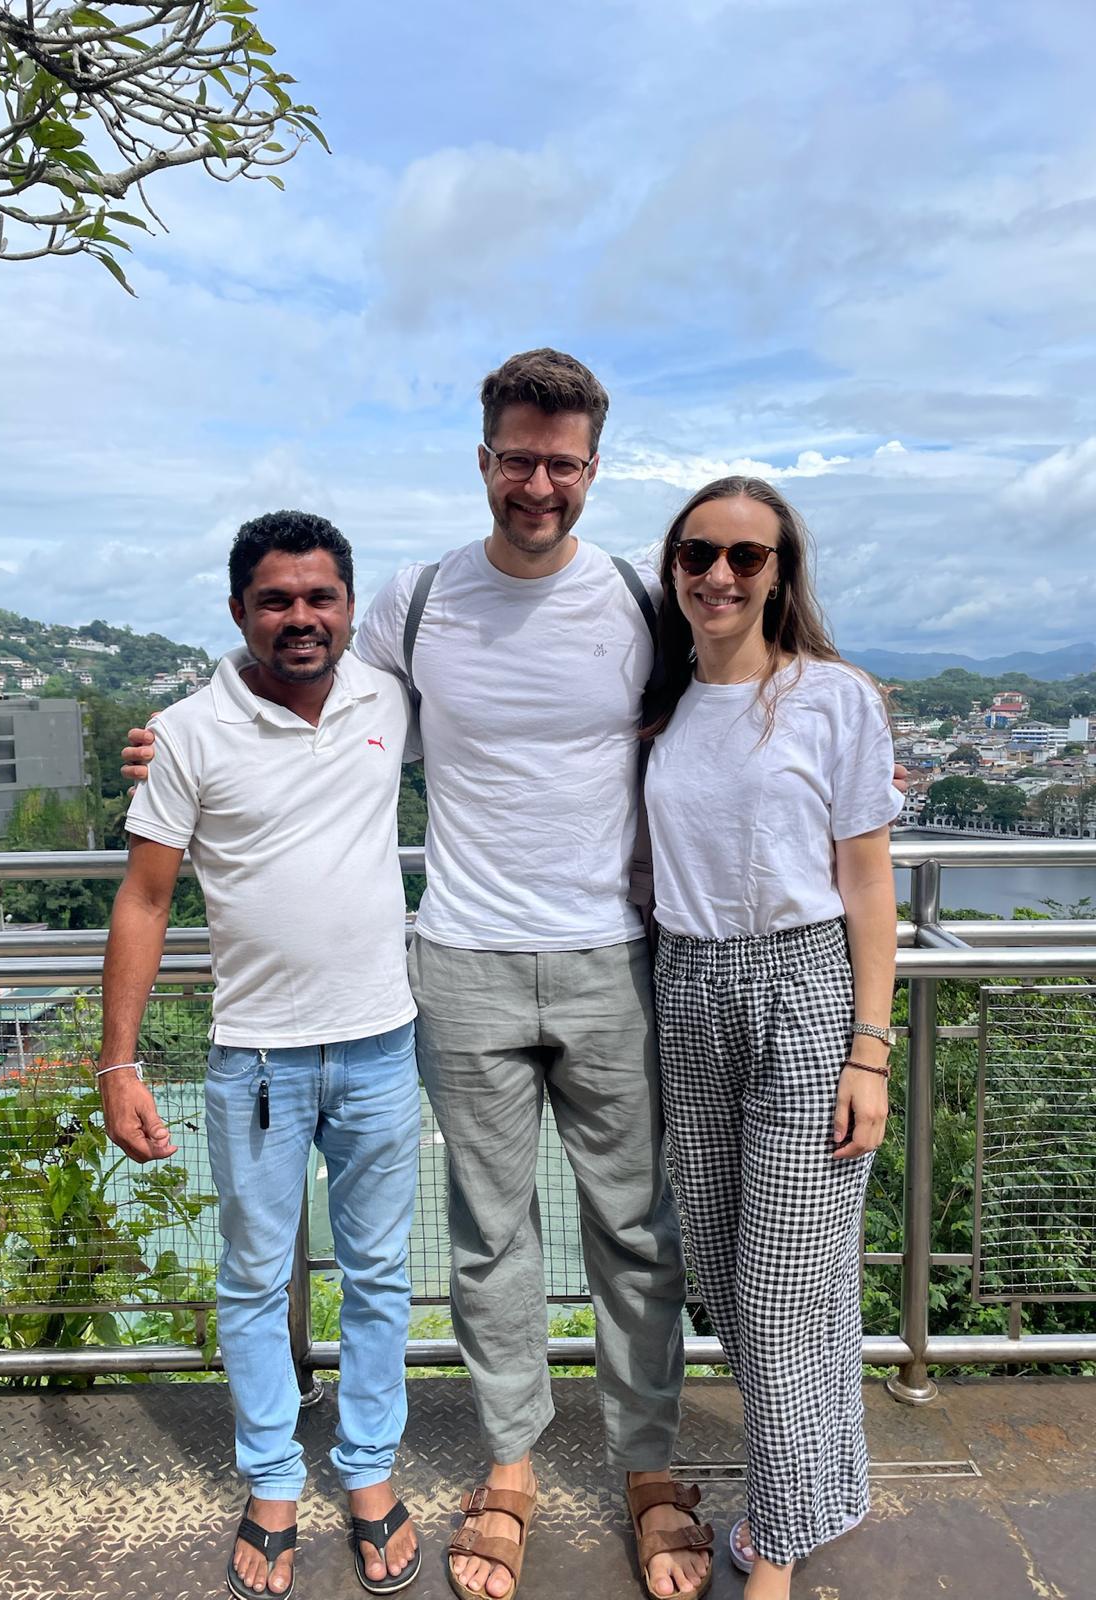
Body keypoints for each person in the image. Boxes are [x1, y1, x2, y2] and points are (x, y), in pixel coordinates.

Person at [128, 351, 712, 1600]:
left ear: (594, 468)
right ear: (484, 459)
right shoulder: (420, 597)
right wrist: (170, 738)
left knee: (634, 1229)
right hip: (458, 959)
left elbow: (713, 709)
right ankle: (510, 1466)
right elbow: (305, 680)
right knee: (490, 1238)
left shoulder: (633, 596)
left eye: (563, 463)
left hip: (611, 953)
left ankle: (649, 1466)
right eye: (519, 458)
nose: (539, 484)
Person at [99, 511, 423, 1600]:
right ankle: (274, 1480)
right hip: (256, 1060)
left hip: (383, 1042)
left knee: (380, 1276)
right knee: (251, 1279)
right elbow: (145, 900)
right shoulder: (187, 732)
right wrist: (118, 1063)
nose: (301, 617)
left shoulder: (387, 698)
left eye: (320, 596)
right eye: (276, 599)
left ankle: (369, 1471)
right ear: (239, 610)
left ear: (349, 605)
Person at [643, 476, 900, 1600]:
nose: (720, 574)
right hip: (688, 987)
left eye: (746, 556)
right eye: (699, 553)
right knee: (723, 1266)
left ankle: (778, 1555)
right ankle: (826, 1485)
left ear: (780, 573)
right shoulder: (662, 703)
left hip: (801, 989)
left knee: (785, 1289)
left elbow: (868, 882)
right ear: (674, 566)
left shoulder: (832, 698)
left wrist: (870, 1049)